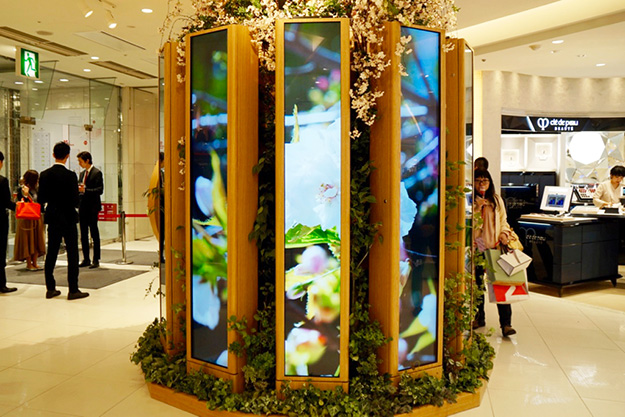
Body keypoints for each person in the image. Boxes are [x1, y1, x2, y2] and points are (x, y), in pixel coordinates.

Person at [38, 142, 89, 300]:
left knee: (52, 252)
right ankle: (73, 289)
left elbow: (41, 199)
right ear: (67, 156)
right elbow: (75, 201)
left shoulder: (44, 174)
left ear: (53, 155)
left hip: (53, 217)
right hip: (68, 217)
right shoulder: (71, 176)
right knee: (72, 254)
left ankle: (50, 288)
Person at [473, 168, 516, 337]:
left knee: (501, 285)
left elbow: (503, 221)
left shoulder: (497, 200)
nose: (481, 184)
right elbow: (469, 224)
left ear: (490, 183)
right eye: (478, 180)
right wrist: (477, 207)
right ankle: (479, 317)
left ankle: (506, 324)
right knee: (477, 286)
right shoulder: (470, 201)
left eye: (485, 180)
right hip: (477, 248)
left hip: (495, 247)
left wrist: (504, 234)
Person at [14, 170, 46, 271]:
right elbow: (20, 202)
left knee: (37, 240)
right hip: (26, 218)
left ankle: (35, 262)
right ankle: (29, 263)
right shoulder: (22, 189)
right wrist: (26, 195)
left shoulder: (37, 189)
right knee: (27, 240)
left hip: (36, 216)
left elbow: (40, 201)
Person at [77, 151, 103, 269]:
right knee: (83, 234)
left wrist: (85, 190)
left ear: (87, 160)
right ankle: (86, 258)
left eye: (80, 161)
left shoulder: (96, 173)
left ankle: (96, 259)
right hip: (82, 207)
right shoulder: (82, 174)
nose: (79, 163)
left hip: (92, 207)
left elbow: (99, 190)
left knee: (94, 233)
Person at [0, 152, 16, 294]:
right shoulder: (2, 181)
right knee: (0, 252)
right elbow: (6, 202)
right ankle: (1, 284)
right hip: (0, 221)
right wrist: (20, 207)